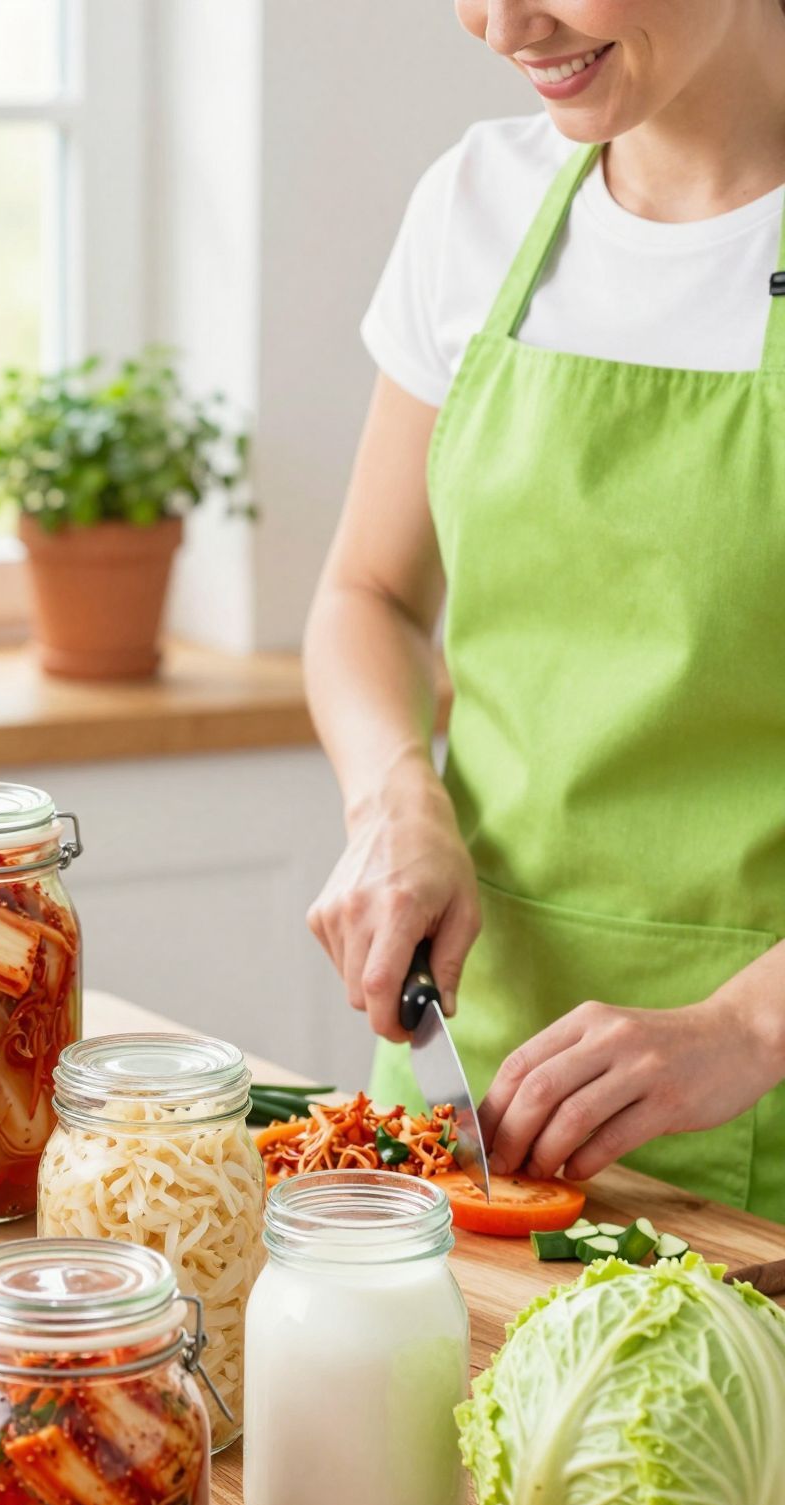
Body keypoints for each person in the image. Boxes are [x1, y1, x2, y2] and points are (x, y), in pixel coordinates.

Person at [304, 0, 785, 1220]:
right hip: (472, 1076)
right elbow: (368, 595)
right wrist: (394, 799)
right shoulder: (477, 204)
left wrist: (744, 1024)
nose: (501, 22)